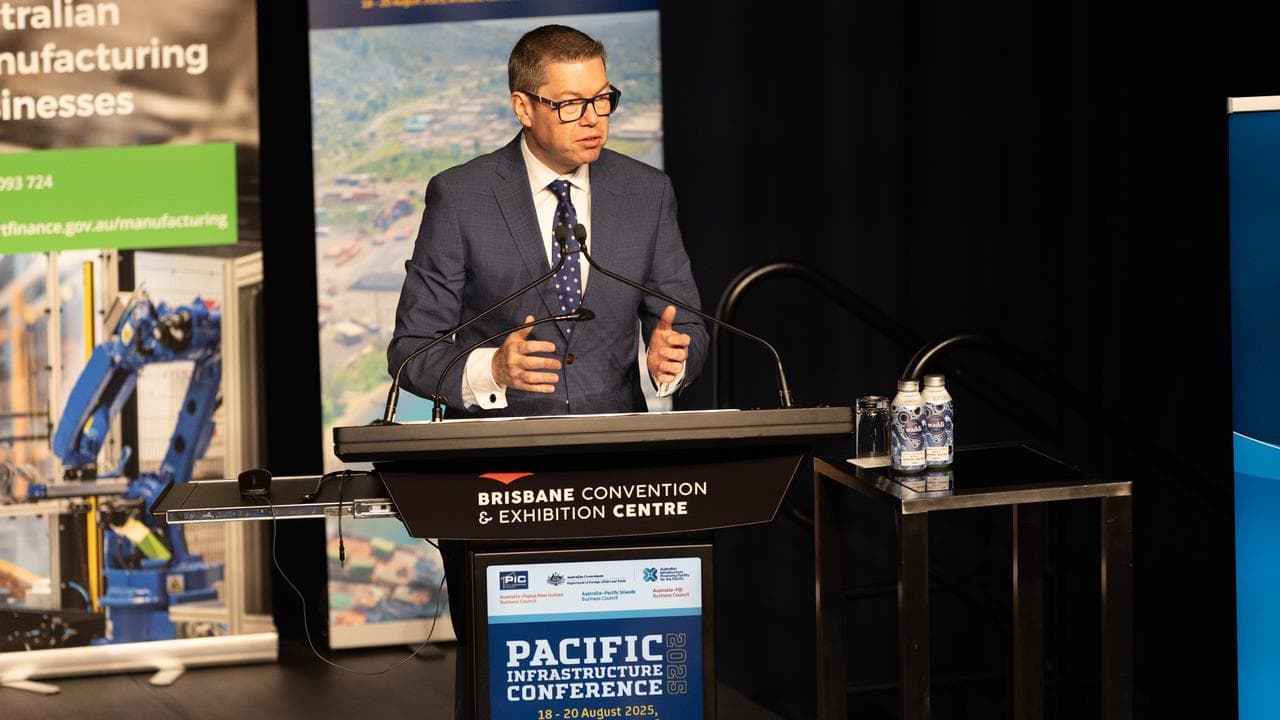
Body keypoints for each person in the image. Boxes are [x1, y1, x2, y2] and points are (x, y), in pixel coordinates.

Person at [386, 24, 709, 718]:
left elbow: (688, 322)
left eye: (602, 99)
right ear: (523, 106)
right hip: (499, 483)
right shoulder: (463, 195)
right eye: (569, 104)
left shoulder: (645, 192)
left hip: (621, 479)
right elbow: (411, 349)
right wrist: (489, 366)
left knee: (624, 675)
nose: (592, 118)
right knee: (510, 683)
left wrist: (667, 364)